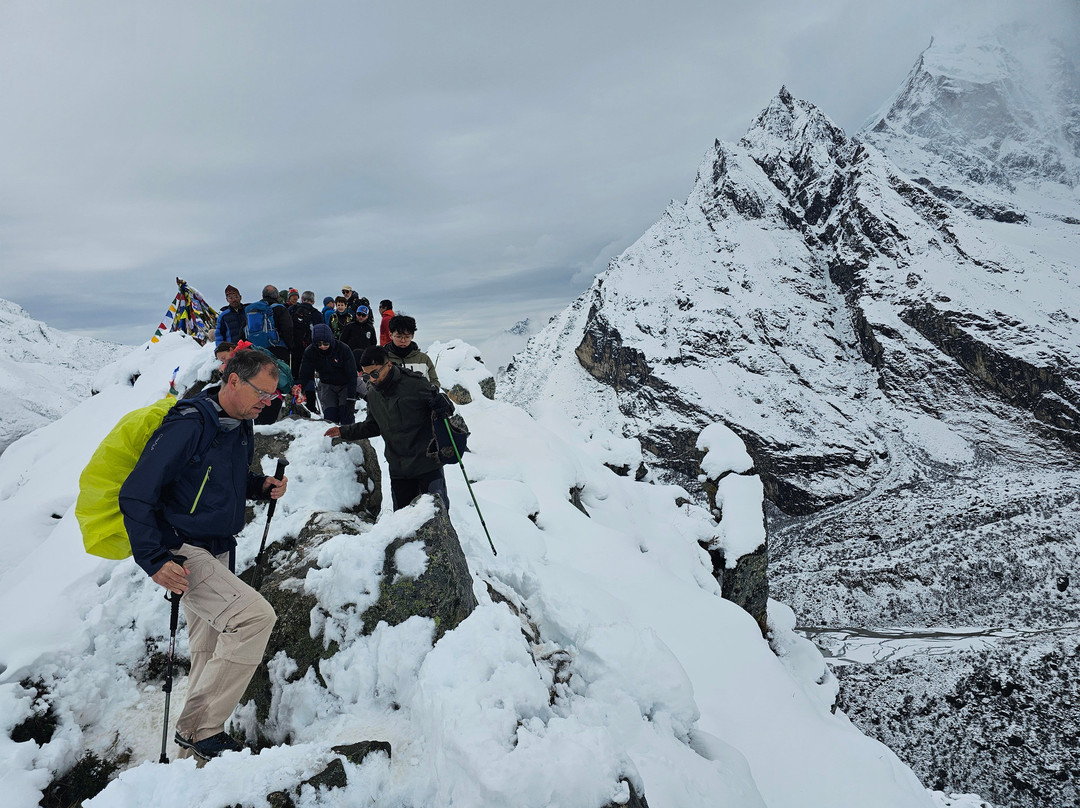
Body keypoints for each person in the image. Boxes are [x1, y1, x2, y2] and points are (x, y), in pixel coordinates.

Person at [118, 350, 287, 761]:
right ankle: (199, 729)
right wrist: (155, 560)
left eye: (272, 397)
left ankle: (191, 761)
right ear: (232, 381)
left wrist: (258, 486)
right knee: (253, 618)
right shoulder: (189, 423)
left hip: (218, 547)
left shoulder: (238, 423)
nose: (267, 404)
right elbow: (137, 494)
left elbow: (215, 479)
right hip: (184, 551)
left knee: (209, 651)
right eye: (262, 394)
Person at [326, 346, 452, 512]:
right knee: (403, 523)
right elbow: (373, 426)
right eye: (365, 376)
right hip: (399, 469)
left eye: (375, 373)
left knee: (438, 514)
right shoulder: (373, 395)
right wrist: (344, 431)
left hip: (427, 464)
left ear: (389, 365)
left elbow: (446, 410)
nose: (371, 379)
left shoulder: (416, 384)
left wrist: (443, 404)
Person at [299, 323, 358, 425]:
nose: (322, 346)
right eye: (319, 344)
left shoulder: (343, 349)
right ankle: (331, 439)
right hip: (327, 385)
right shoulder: (310, 352)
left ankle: (350, 438)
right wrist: (300, 388)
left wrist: (351, 399)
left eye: (325, 343)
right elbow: (305, 373)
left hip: (345, 384)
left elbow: (352, 376)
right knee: (330, 418)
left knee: (346, 416)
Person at [245, 285, 294, 366]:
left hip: (256, 349)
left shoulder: (253, 310)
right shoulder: (280, 308)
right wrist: (291, 346)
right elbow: (287, 329)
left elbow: (243, 330)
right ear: (278, 296)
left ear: (263, 295)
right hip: (277, 348)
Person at [385, 314, 440, 387]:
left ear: (413, 336)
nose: (403, 340)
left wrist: (432, 391)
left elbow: (434, 381)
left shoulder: (423, 359)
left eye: (407, 337)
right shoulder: (382, 358)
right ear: (390, 335)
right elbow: (371, 383)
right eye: (398, 337)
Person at [288, 291, 322, 378]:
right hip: (310, 346)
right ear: (313, 301)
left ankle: (295, 388)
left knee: (294, 371)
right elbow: (321, 332)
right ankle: (308, 389)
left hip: (294, 346)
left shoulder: (292, 309)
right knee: (308, 372)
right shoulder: (317, 314)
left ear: (302, 299)